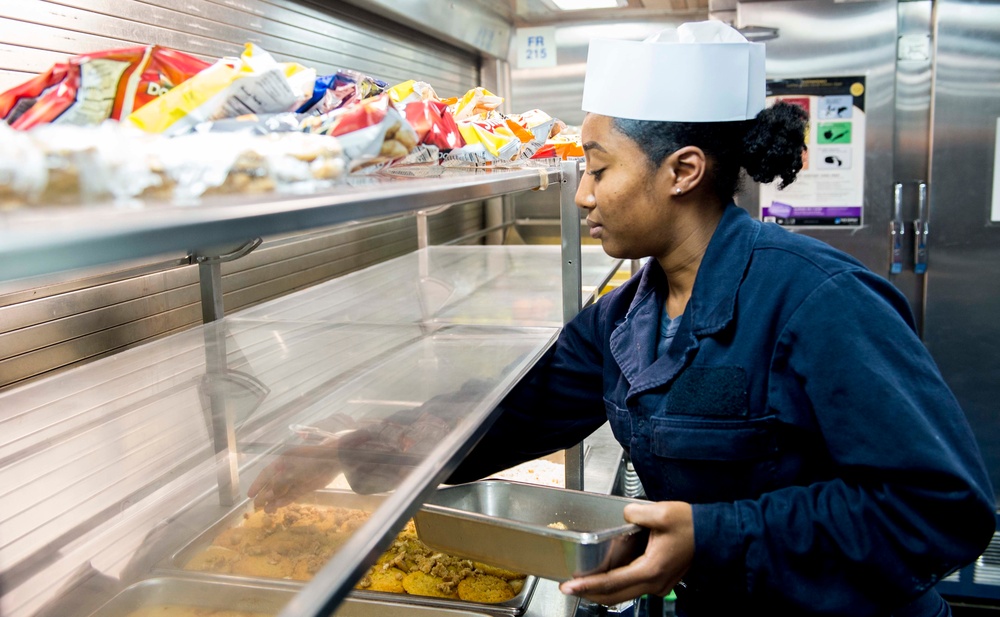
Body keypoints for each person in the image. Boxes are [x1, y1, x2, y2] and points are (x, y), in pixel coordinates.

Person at [442, 21, 995, 616]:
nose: (582, 196)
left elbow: (941, 506)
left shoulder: (822, 300)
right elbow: (514, 416)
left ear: (683, 171)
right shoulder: (625, 317)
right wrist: (371, 453)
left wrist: (713, 535)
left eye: (599, 171)